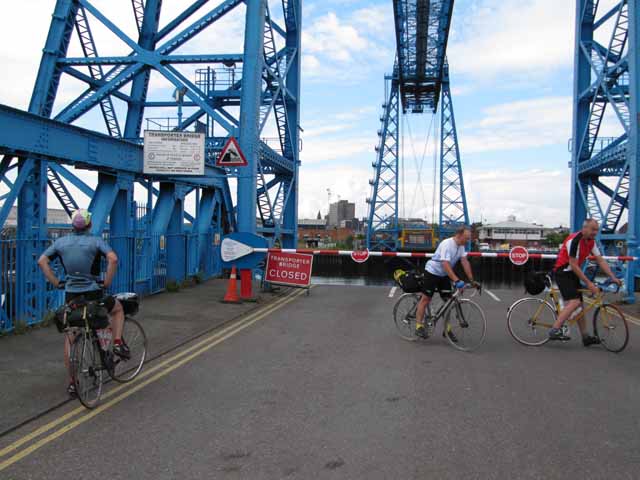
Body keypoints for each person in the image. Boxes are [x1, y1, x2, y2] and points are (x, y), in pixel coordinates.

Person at [37, 209, 128, 396]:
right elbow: (113, 258)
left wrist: (55, 282)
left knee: (71, 337)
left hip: (72, 296)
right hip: (93, 293)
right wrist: (108, 281)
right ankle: (118, 342)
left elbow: (41, 261)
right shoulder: (95, 241)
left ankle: (73, 382)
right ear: (90, 225)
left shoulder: (61, 243)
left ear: (72, 225)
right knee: (117, 309)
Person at [548, 218, 622, 345]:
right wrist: (589, 283)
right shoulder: (574, 240)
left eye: (596, 230)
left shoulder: (591, 242)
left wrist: (613, 276)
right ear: (585, 228)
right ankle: (555, 329)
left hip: (573, 273)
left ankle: (585, 337)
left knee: (580, 306)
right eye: (593, 229)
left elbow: (601, 260)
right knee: (575, 301)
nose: (595, 232)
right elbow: (574, 265)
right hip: (563, 272)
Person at [415, 226, 478, 339]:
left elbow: (464, 262)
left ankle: (447, 329)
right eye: (466, 238)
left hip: (444, 274)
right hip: (432, 272)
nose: (467, 241)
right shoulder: (447, 244)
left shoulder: (461, 246)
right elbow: (445, 263)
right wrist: (456, 280)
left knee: (448, 302)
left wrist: (472, 280)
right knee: (426, 298)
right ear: (459, 235)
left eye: (469, 238)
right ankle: (418, 326)